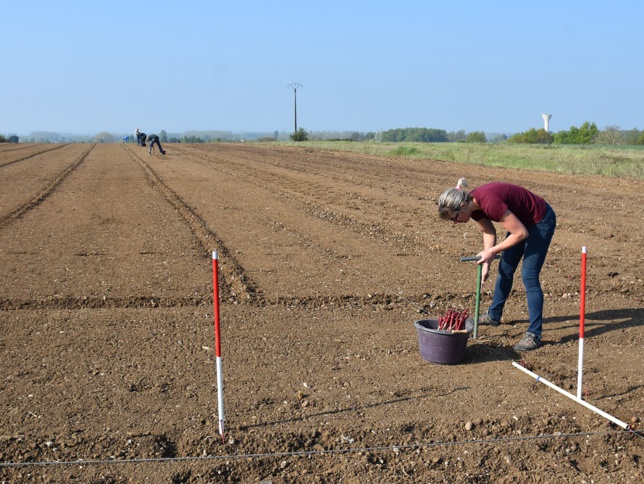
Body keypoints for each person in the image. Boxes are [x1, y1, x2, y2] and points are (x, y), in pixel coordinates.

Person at [438, 178, 556, 351]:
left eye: (454, 218)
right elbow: (488, 230)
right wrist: (488, 261)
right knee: (505, 269)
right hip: (521, 222)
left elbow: (521, 233)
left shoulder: (489, 202)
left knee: (529, 276)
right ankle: (494, 315)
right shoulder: (473, 207)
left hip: (540, 221)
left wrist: (492, 251)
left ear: (462, 205)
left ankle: (534, 334)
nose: (455, 223)